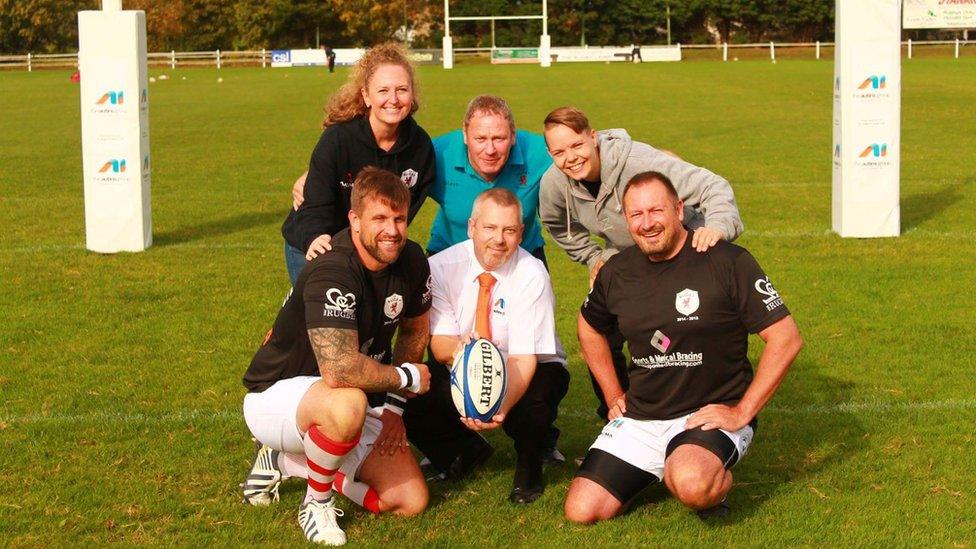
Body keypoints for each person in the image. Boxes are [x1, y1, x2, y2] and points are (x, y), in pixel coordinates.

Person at [565, 171, 803, 523]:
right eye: (636, 215)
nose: (647, 224)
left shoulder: (727, 261)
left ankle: (699, 472)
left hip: (708, 415)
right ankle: (664, 464)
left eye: (656, 211)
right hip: (643, 417)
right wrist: (614, 393)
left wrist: (742, 412)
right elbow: (588, 326)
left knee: (692, 485)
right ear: (626, 219)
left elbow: (786, 338)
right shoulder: (617, 272)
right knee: (581, 511)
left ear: (678, 209)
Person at [241, 167, 434, 545]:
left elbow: (414, 328)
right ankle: (316, 502)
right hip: (276, 396)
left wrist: (394, 408)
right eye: (379, 218)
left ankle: (285, 462)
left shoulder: (411, 258)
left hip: (345, 399)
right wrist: (406, 379)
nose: (392, 230)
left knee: (409, 500)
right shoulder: (334, 268)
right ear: (354, 219)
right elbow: (339, 369)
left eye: (399, 218)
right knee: (347, 401)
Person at [540, 106, 744, 419]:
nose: (571, 157)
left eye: (577, 145)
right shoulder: (555, 183)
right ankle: (618, 416)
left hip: (682, 249)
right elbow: (556, 225)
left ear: (593, 137)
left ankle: (707, 409)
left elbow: (713, 186)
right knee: (600, 329)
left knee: (682, 327)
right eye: (559, 151)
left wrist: (715, 228)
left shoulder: (640, 163)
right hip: (629, 255)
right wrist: (595, 257)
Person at [404, 189, 570, 504]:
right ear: (472, 227)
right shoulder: (439, 267)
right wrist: (460, 356)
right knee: (410, 393)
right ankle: (462, 452)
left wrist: (498, 407)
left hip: (530, 363)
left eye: (509, 230)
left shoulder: (532, 273)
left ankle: (530, 463)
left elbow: (523, 359)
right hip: (463, 360)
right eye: (490, 228)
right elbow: (439, 343)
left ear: (521, 233)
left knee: (533, 407)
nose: (499, 239)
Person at [284, 42, 435, 285]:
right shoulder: (338, 139)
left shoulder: (421, 148)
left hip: (370, 248)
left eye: (402, 90)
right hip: (318, 243)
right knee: (316, 320)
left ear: (412, 94)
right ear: (366, 95)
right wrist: (315, 238)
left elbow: (402, 215)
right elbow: (314, 207)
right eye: (383, 90)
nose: (393, 99)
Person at [427, 95, 551, 265]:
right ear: (465, 134)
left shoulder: (540, 152)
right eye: (480, 139)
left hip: (521, 255)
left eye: (499, 138)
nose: (490, 150)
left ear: (513, 136)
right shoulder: (436, 155)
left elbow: (585, 148)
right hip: (451, 254)